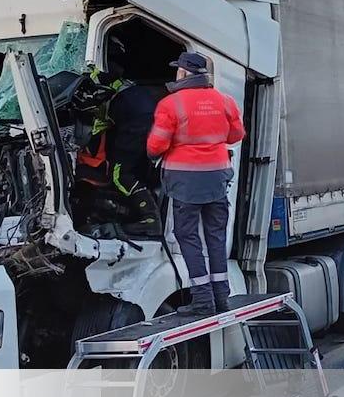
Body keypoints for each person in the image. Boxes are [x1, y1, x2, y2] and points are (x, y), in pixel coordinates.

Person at [147, 52, 245, 314]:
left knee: (187, 237)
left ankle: (202, 298)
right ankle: (222, 296)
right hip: (217, 179)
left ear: (182, 73)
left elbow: (156, 144)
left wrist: (154, 155)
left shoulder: (170, 104)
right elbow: (236, 135)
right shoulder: (225, 101)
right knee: (215, 235)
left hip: (185, 182)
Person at [71, 56, 162, 238]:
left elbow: (98, 122)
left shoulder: (92, 80)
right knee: (135, 169)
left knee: (120, 175)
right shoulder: (122, 83)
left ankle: (150, 220)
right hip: (144, 118)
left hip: (135, 122)